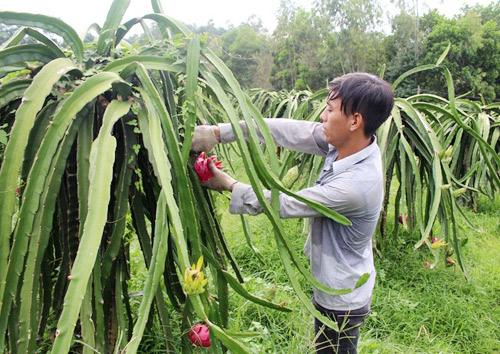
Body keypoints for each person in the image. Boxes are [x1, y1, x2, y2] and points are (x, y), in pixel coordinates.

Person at [191, 72, 394, 354]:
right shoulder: (353, 145)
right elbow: (286, 130)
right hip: (335, 282)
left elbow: (286, 202)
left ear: (355, 120)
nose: (323, 116)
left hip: (342, 297)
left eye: (330, 110)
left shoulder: (356, 186)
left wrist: (227, 184)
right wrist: (218, 133)